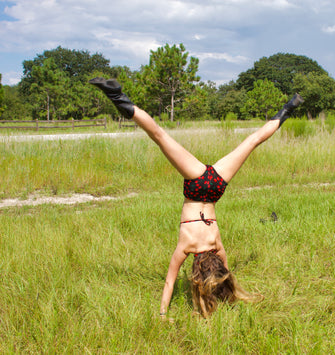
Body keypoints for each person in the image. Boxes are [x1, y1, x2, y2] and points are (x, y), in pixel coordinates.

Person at [89, 78, 303, 318]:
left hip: (215, 186)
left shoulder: (216, 243)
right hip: (196, 184)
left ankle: (288, 108)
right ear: (196, 272)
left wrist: (225, 281)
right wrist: (162, 315)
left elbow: (226, 270)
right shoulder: (186, 247)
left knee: (251, 141)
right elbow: (169, 282)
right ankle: (116, 95)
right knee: (159, 136)